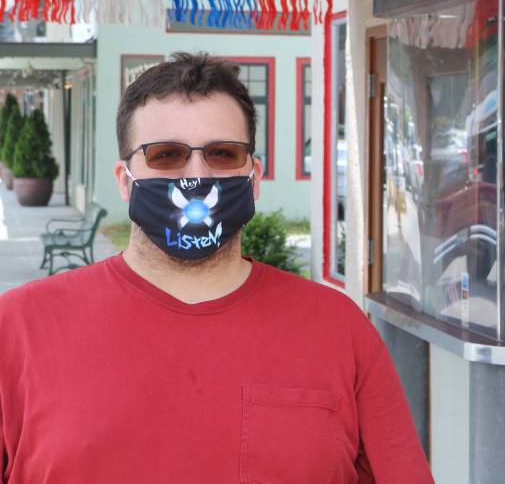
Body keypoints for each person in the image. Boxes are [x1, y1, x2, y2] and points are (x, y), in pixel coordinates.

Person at [0, 53, 433, 483]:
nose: (196, 175)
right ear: (124, 181)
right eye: (166, 155)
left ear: (254, 177)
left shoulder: (339, 329)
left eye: (222, 154)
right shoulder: (19, 329)